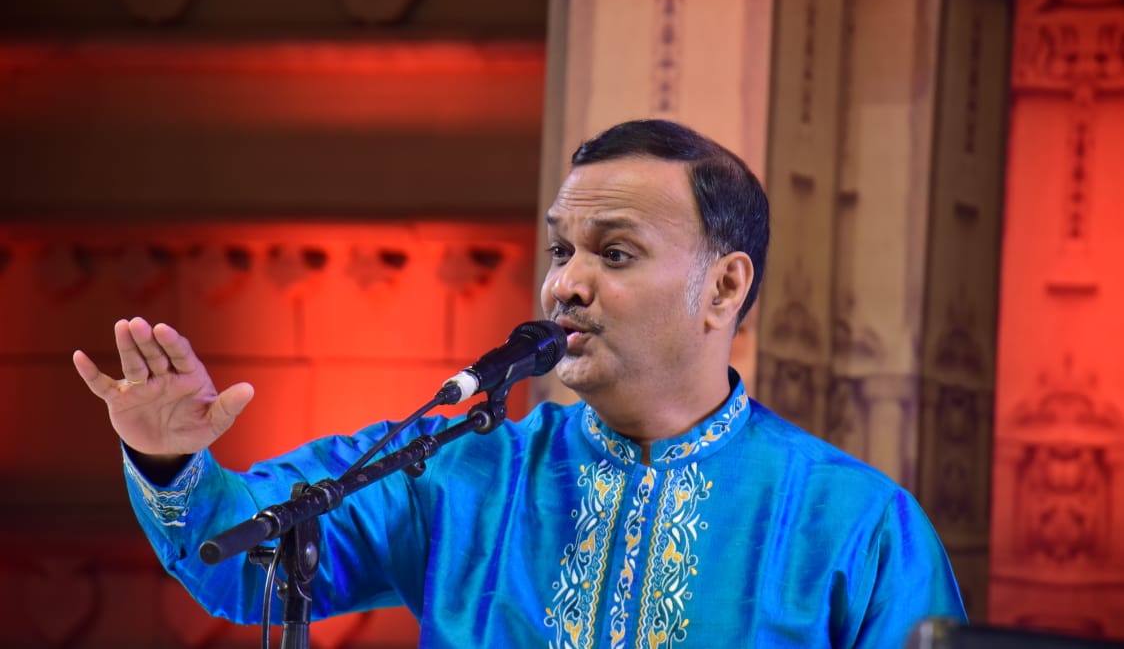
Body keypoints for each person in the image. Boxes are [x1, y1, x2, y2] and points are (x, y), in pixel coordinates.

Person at [74, 119, 966, 648]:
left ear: (725, 287)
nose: (565, 285)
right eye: (560, 250)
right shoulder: (459, 474)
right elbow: (253, 566)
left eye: (615, 253)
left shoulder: (856, 526)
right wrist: (169, 461)